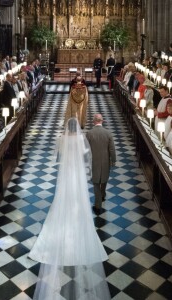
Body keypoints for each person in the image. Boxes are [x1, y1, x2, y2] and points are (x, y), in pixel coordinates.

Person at [29, 118, 110, 300]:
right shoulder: (81, 139)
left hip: (66, 171)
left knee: (63, 194)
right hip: (78, 172)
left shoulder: (61, 139)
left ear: (67, 128)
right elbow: (84, 155)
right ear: (78, 128)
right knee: (78, 194)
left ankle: (65, 213)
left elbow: (58, 156)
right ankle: (77, 213)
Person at [86, 114, 116, 214]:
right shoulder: (108, 133)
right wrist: (114, 160)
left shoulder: (89, 133)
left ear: (94, 122)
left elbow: (86, 149)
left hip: (93, 162)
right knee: (104, 180)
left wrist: (85, 161)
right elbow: (112, 149)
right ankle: (102, 195)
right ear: (102, 121)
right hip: (105, 162)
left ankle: (98, 205)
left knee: (95, 183)